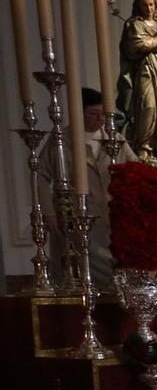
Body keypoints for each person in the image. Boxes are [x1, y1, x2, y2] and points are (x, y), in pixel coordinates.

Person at [35, 87, 113, 289]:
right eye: (93, 114)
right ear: (79, 112)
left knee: (109, 276)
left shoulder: (114, 139)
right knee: (75, 273)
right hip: (73, 218)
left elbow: (135, 167)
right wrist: (48, 211)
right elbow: (40, 175)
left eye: (103, 114)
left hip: (109, 218)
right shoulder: (62, 140)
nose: (100, 119)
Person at [118, 0, 157, 170]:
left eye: (151, 4)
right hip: (146, 71)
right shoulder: (136, 25)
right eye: (145, 4)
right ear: (138, 7)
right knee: (148, 106)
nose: (149, 8)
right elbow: (136, 46)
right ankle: (144, 147)